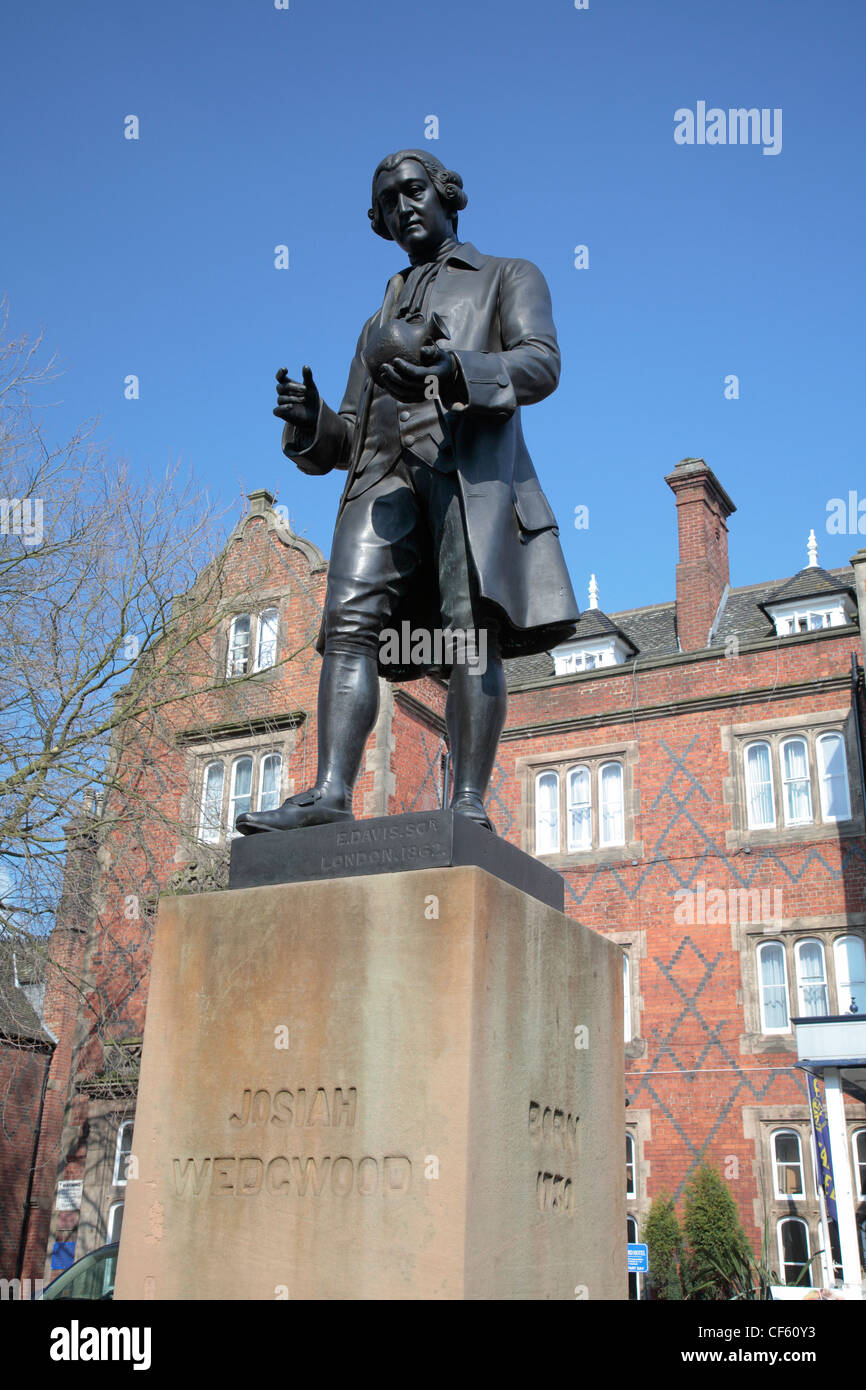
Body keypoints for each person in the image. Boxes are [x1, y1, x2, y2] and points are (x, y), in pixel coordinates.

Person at [236, 149, 578, 836]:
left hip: (463, 475)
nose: (403, 207)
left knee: (466, 635)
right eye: (388, 202)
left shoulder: (506, 276)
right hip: (379, 482)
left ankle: (468, 803)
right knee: (348, 628)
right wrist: (313, 426)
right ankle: (332, 791)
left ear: (449, 194)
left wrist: (457, 370)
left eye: (414, 191)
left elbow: (541, 364)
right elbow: (350, 433)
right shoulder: (377, 320)